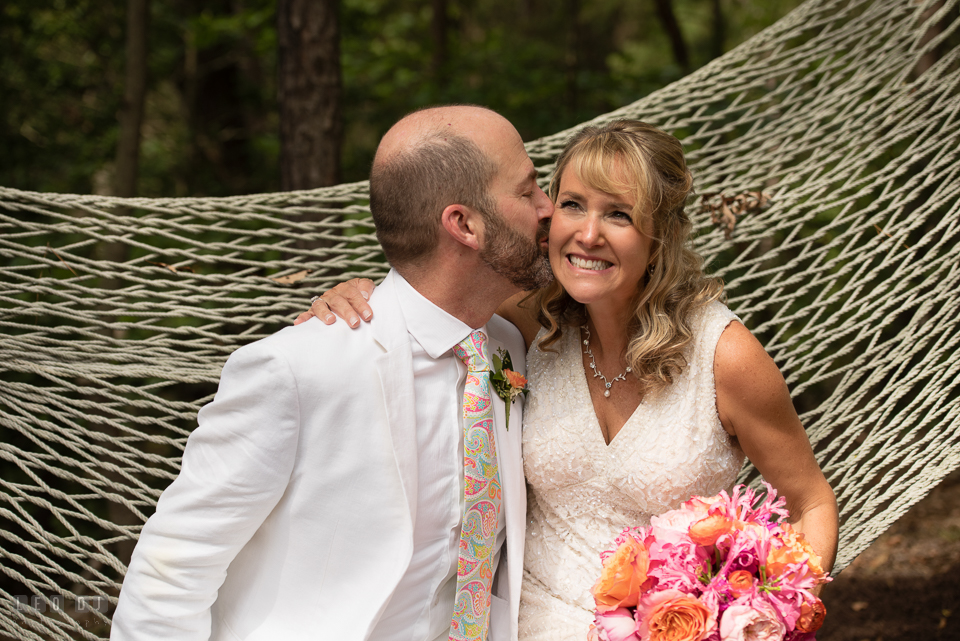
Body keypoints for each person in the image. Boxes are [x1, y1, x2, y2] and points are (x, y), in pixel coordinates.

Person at [302, 120, 840, 641]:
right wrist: (358, 294)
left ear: (660, 237)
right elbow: (429, 295)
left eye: (619, 215)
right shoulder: (528, 320)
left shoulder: (724, 356)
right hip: (521, 624)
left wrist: (773, 616)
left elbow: (810, 500)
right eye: (573, 205)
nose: (587, 234)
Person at [111, 105, 555, 641]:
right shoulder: (298, 368)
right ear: (464, 224)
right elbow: (171, 571)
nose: (548, 208)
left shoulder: (507, 346)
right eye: (528, 190)